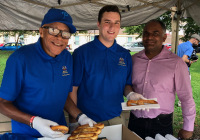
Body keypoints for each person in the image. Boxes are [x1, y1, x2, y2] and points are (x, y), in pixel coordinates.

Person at [0, 8, 95, 139]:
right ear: (41, 31)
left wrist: (80, 117)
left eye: (65, 33)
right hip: (26, 135)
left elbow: (63, 96)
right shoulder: (20, 58)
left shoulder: (67, 57)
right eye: (53, 30)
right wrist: (34, 121)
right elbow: (3, 103)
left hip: (58, 132)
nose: (59, 38)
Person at [127, 19, 196, 139]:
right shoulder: (133, 60)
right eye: (146, 33)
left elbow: (186, 96)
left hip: (161, 124)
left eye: (155, 33)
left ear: (164, 37)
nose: (149, 37)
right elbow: (127, 85)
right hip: (135, 121)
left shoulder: (176, 63)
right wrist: (130, 93)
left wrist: (188, 127)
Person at [68, 5, 134, 130]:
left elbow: (126, 84)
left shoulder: (125, 55)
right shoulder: (82, 53)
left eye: (116, 23)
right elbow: (73, 89)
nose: (112, 27)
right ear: (98, 24)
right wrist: (74, 120)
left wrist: (130, 94)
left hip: (116, 119)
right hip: (86, 120)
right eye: (107, 22)